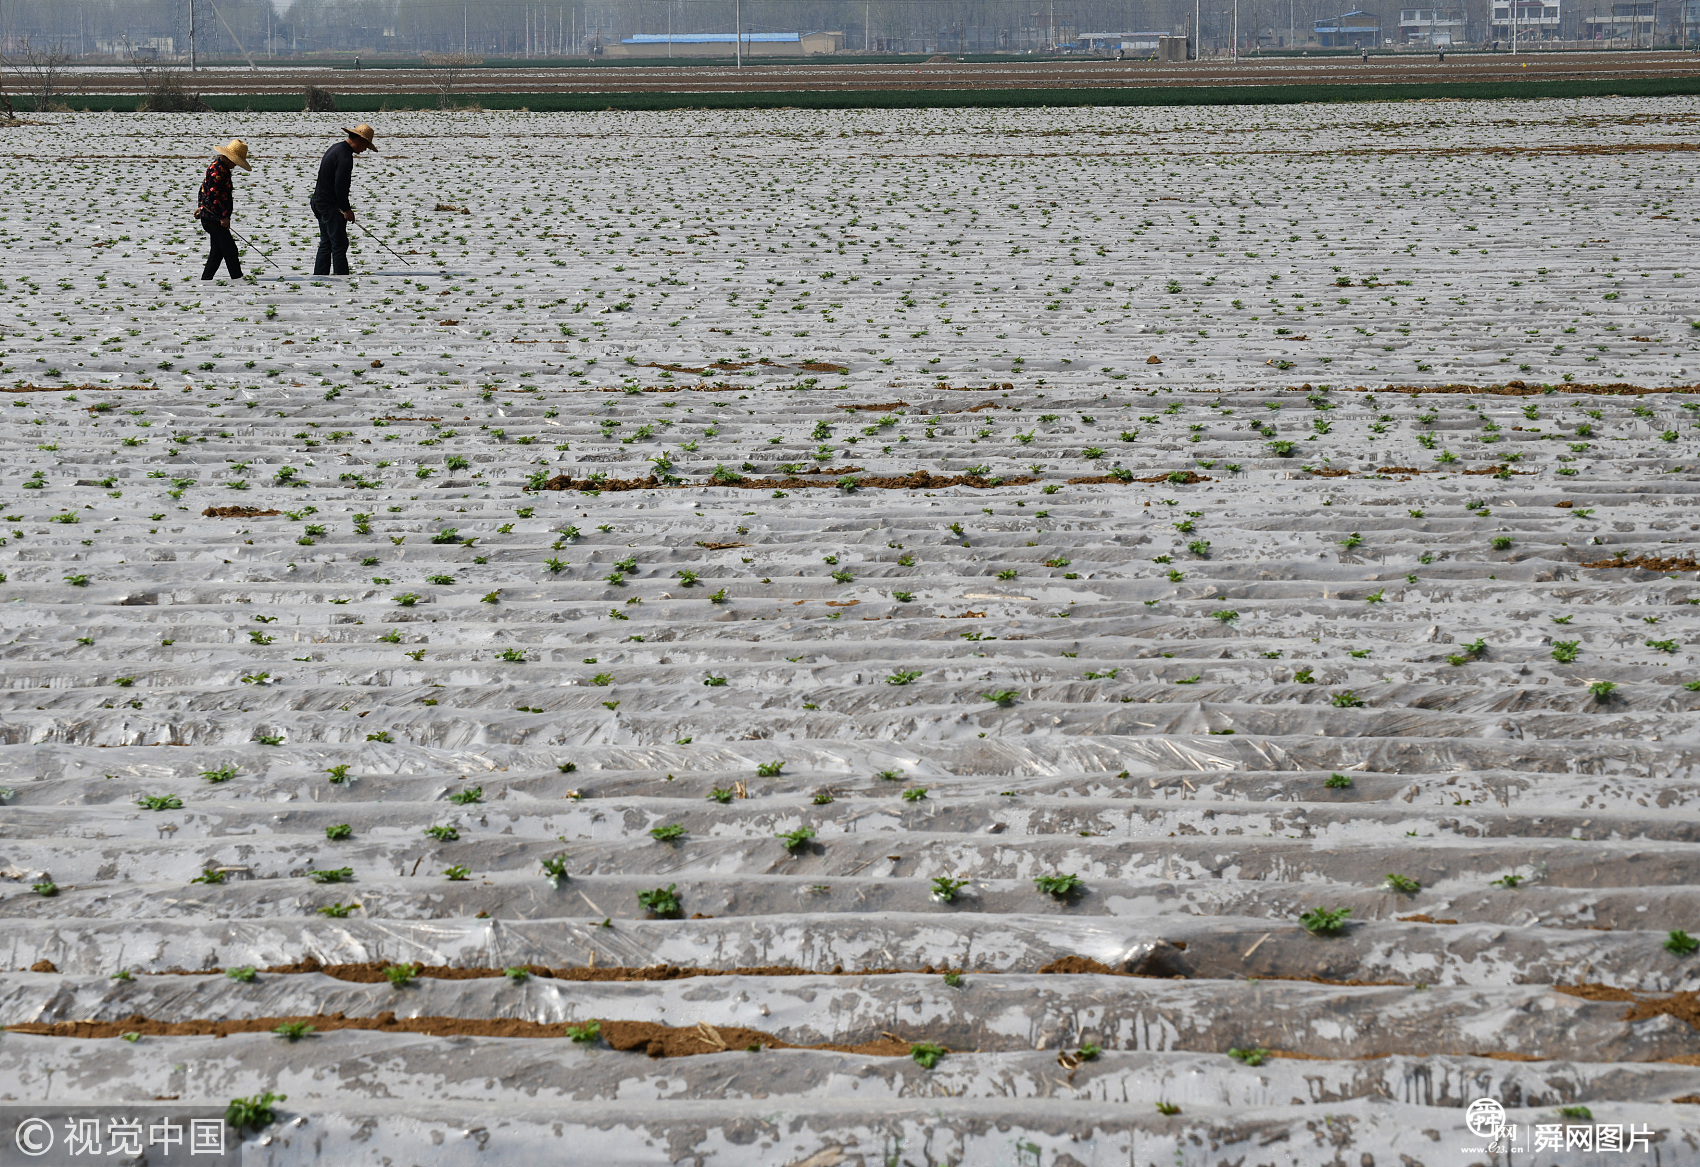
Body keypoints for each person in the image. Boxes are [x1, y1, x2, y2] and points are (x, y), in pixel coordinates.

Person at [311, 123, 377, 276]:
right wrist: (346, 210)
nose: (365, 149)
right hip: (330, 205)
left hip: (318, 202)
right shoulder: (345, 157)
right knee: (339, 244)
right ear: (359, 140)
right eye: (366, 145)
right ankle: (342, 280)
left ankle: (320, 278)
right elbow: (340, 186)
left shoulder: (336, 148)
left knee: (326, 243)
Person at [194, 138, 250, 281]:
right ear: (229, 158)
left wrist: (201, 206)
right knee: (231, 250)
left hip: (210, 216)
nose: (236, 165)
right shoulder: (218, 171)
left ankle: (206, 279)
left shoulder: (219, 167)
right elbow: (213, 196)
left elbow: (203, 189)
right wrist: (223, 217)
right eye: (235, 162)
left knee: (217, 252)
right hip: (214, 219)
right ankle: (238, 279)